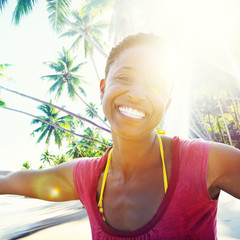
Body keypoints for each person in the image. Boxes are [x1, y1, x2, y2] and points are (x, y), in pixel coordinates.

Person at [1, 33, 240, 240]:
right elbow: (13, 180)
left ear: (167, 103)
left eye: (155, 86)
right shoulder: (86, 178)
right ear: (103, 88)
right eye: (125, 78)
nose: (136, 94)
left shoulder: (207, 162)